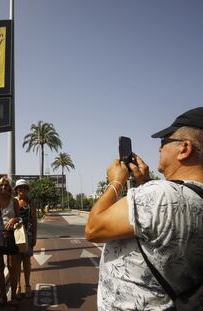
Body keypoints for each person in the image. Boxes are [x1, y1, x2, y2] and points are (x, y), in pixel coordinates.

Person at [85, 107, 203, 310]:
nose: (159, 149)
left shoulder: (160, 195)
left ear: (184, 148)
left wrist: (116, 181)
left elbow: (93, 228)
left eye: (164, 142)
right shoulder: (178, 196)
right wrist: (144, 184)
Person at [0, 177, 21, 306]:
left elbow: (19, 217)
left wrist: (13, 220)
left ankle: (13, 295)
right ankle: (3, 296)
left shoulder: (14, 201)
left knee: (12, 267)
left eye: (6, 185)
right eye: (1, 185)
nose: (3, 187)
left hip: (11, 237)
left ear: (9, 188)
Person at [14, 179, 37, 299]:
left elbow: (34, 220)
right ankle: (18, 287)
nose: (21, 189)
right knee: (17, 262)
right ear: (16, 189)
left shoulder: (30, 202)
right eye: (19, 187)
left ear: (27, 189)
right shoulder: (13, 201)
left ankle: (27, 285)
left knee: (27, 261)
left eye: (24, 187)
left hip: (27, 235)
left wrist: (34, 236)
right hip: (16, 236)